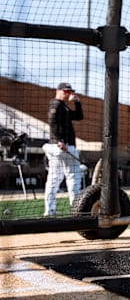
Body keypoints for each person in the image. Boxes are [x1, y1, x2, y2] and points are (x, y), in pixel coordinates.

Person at [43, 82, 84, 216]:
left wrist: (77, 102)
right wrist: (59, 140)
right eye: (66, 91)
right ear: (58, 91)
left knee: (54, 179)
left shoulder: (63, 106)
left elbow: (79, 116)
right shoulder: (56, 104)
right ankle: (75, 210)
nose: (68, 94)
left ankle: (50, 211)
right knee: (73, 178)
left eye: (69, 92)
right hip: (62, 146)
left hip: (61, 147)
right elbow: (52, 121)